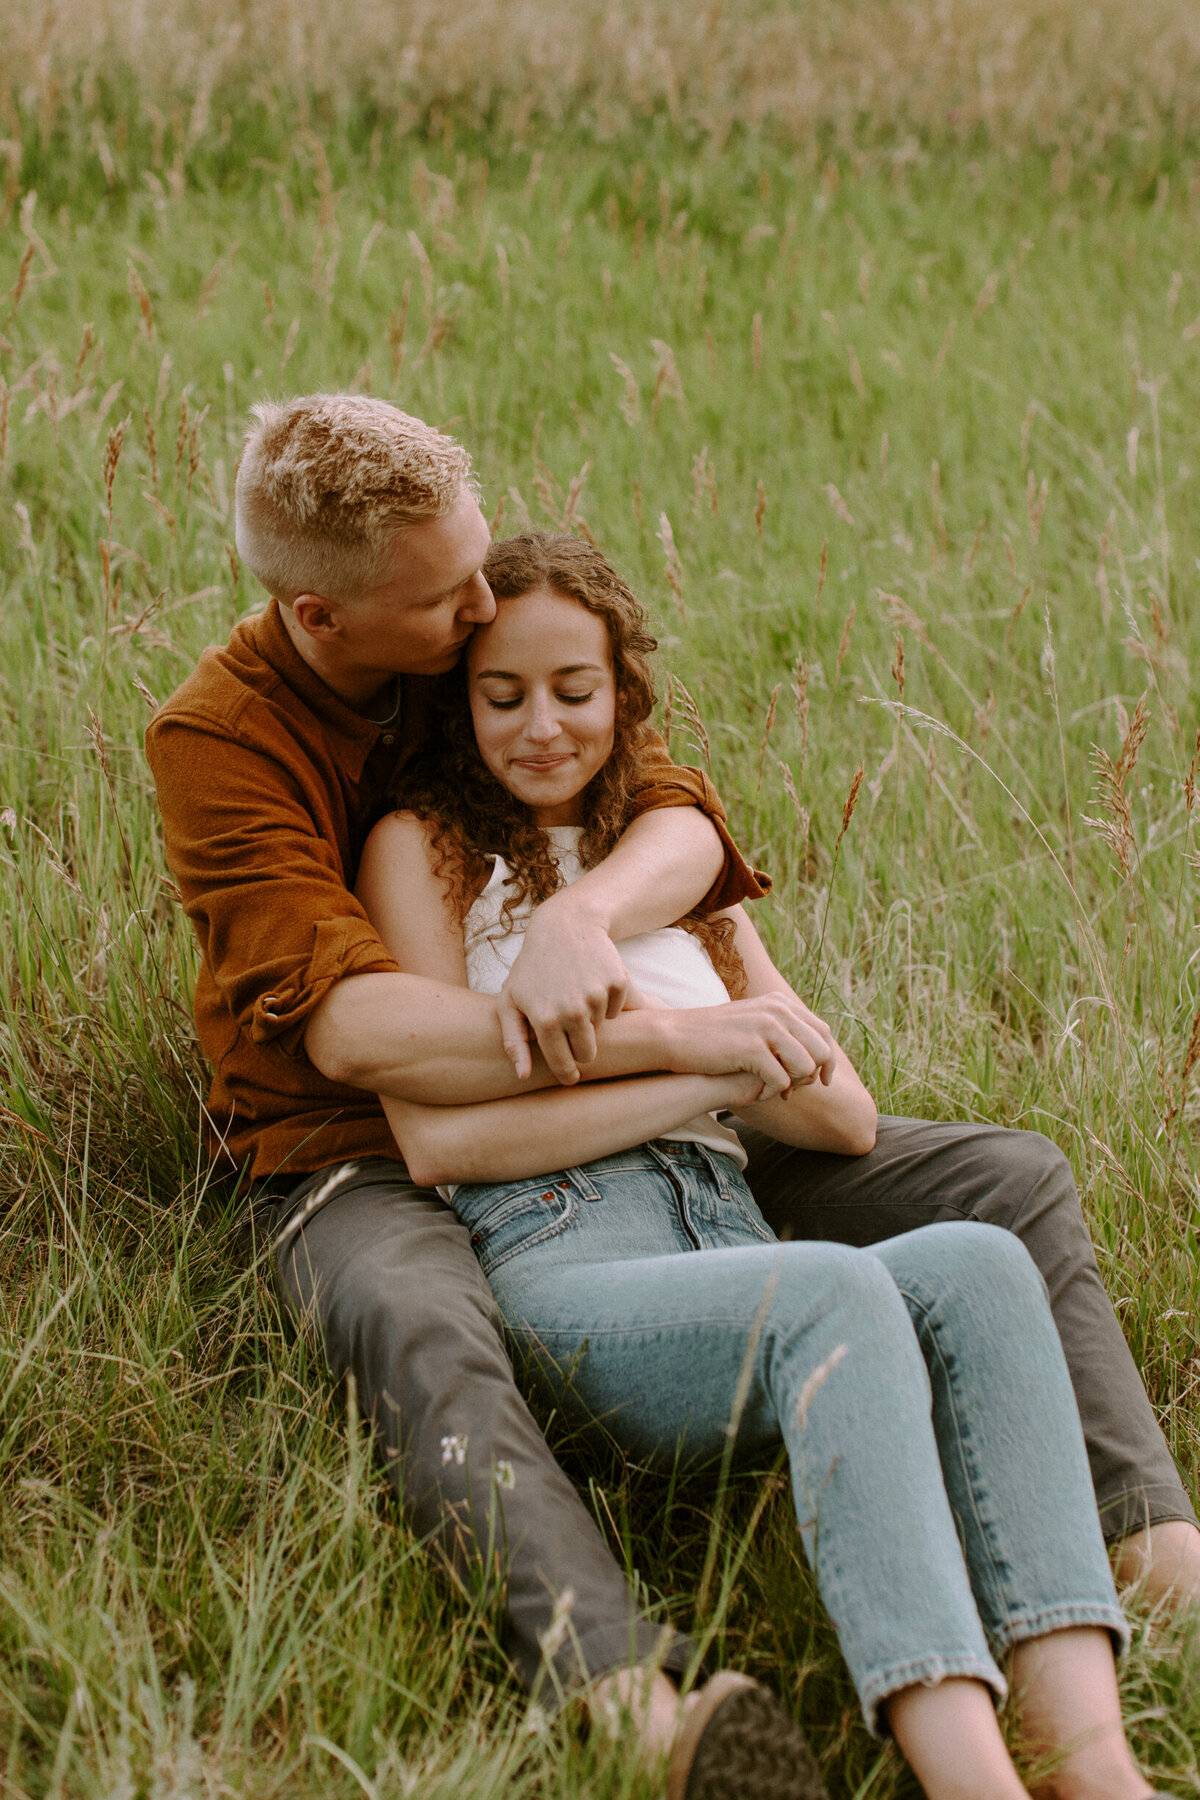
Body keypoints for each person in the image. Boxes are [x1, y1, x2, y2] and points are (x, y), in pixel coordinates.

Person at [145, 394, 1196, 1785]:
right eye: (454, 603)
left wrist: (588, 931)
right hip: (355, 1141)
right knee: (420, 1323)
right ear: (328, 622)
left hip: (654, 1131)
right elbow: (361, 1040)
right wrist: (678, 1047)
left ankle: (1137, 1571)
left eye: (484, 576)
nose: (484, 606)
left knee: (1000, 1190)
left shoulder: (469, 645)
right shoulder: (225, 741)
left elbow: (662, 797)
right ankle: (627, 1695)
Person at [357, 530, 1164, 1800]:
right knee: (835, 1290)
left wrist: (743, 1047)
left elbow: (843, 1119)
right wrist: (706, 1066)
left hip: (723, 1228)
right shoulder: (427, 850)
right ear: (459, 702)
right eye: (501, 695)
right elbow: (442, 1141)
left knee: (981, 1259)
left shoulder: (676, 868)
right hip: (569, 1251)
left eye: (574, 690)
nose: (542, 726)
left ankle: (1089, 1758)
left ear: (624, 692)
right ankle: (969, 1777)